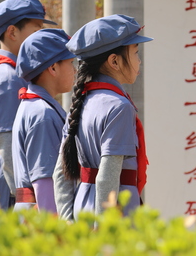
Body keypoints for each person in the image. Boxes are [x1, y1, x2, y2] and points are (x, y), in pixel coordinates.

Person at [53, 15, 153, 220]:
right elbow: (107, 179)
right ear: (114, 61)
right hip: (112, 216)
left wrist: (68, 223)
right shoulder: (119, 107)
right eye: (135, 52)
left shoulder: (80, 103)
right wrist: (104, 234)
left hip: (82, 212)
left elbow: (60, 174)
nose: (139, 59)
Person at [0, 0, 56, 206]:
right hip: (10, 191)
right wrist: (27, 201)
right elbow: (7, 144)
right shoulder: (8, 77)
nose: (41, 36)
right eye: (36, 29)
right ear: (12, 32)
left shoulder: (13, 72)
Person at [12, 28, 75, 212]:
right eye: (71, 62)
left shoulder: (35, 106)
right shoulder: (42, 114)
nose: (75, 69)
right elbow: (45, 187)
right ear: (53, 67)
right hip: (39, 222)